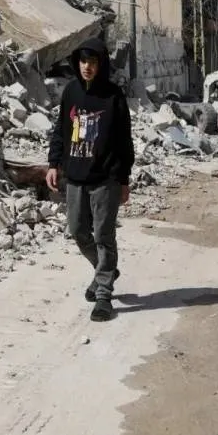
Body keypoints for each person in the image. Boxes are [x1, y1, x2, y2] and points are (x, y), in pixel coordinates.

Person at [47, 38, 134, 322]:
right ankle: (103, 269)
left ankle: (104, 295)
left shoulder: (113, 96)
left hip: (106, 178)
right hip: (75, 177)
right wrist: (53, 163)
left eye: (93, 62)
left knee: (104, 235)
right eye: (83, 61)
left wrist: (123, 179)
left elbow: (124, 141)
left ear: (101, 64)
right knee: (77, 230)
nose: (87, 67)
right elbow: (60, 130)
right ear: (77, 63)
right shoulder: (71, 92)